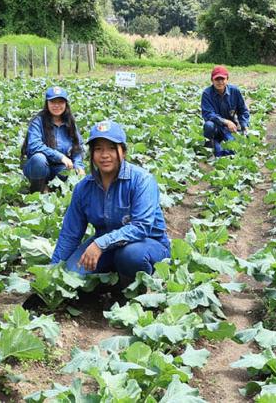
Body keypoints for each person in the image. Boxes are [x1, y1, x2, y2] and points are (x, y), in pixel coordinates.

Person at [50, 120, 170, 282]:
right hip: (105, 245)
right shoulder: (83, 188)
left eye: (112, 148)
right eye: (98, 149)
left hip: (147, 244)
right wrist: (53, 270)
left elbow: (141, 227)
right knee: (72, 274)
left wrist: (101, 244)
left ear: (123, 152)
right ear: (91, 154)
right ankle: (110, 276)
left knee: (130, 255)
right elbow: (70, 234)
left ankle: (137, 286)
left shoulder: (142, 180)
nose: (105, 155)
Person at [21, 86, 85, 193]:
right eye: (53, 102)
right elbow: (34, 146)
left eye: (60, 102)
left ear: (65, 104)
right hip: (38, 167)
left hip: (59, 168)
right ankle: (37, 191)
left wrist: (78, 166)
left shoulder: (70, 123)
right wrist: (60, 156)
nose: (56, 105)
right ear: (47, 103)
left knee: (72, 175)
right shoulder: (38, 121)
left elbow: (78, 148)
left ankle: (52, 189)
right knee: (39, 159)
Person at [201, 65, 250, 157]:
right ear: (212, 80)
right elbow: (208, 114)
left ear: (227, 79)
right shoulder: (207, 93)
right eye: (217, 79)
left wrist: (244, 125)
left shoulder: (235, 91)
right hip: (215, 127)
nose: (220, 82)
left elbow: (243, 110)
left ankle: (218, 145)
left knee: (231, 151)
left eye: (222, 79)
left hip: (229, 129)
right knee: (208, 125)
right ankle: (209, 144)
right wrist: (226, 121)